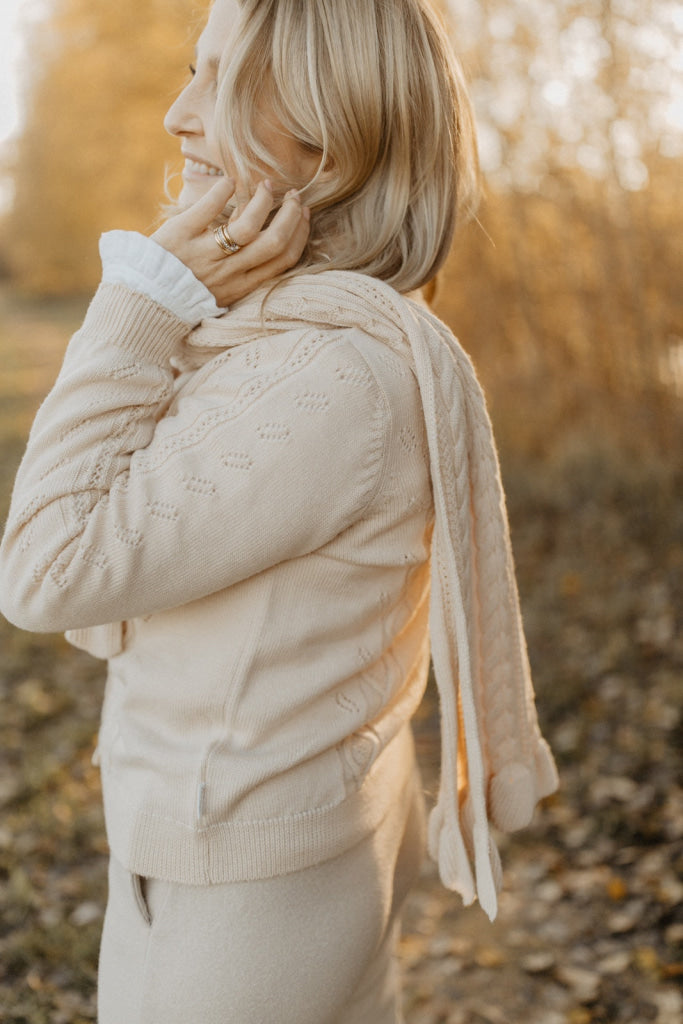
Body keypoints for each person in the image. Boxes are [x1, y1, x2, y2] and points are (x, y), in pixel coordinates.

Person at [0, 1, 559, 1021]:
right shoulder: (289, 338)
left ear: (325, 133)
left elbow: (45, 566)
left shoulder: (325, 375)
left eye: (218, 80)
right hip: (253, 866)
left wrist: (140, 301)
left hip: (243, 910)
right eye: (190, 70)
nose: (177, 114)